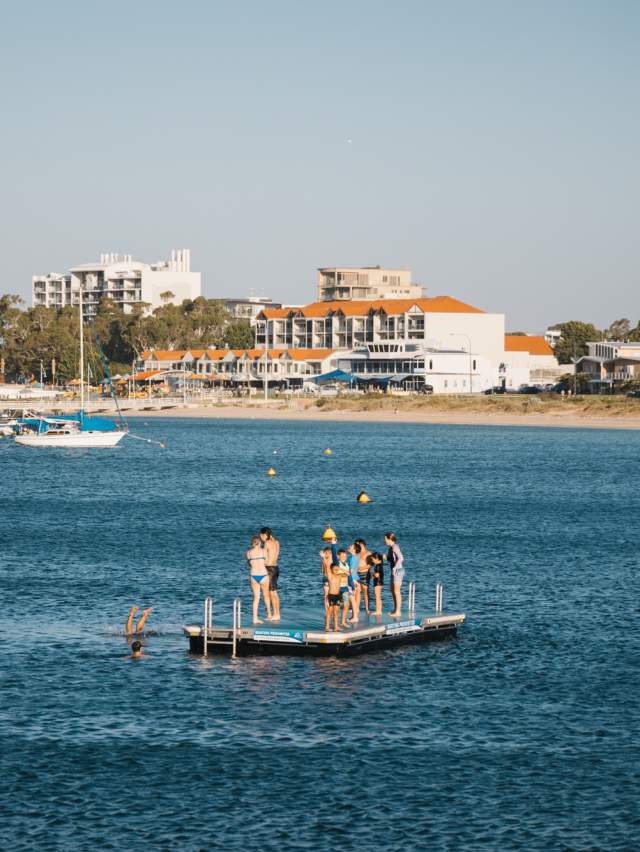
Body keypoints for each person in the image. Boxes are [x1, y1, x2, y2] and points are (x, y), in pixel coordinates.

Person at [246, 535, 273, 624]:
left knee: (256, 598)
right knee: (266, 596)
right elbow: (266, 562)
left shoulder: (248, 553)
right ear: (260, 542)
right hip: (263, 575)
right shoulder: (264, 551)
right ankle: (269, 615)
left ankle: (255, 618)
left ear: (252, 543)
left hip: (253, 575)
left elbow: (249, 564)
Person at [260, 527, 281, 621]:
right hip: (276, 568)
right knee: (275, 592)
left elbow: (264, 558)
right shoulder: (277, 542)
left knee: (271, 593)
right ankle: (277, 614)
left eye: (261, 535)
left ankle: (275, 614)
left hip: (269, 568)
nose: (261, 537)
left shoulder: (266, 543)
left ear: (264, 535)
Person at [384, 532, 404, 617]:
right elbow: (391, 559)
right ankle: (395, 610)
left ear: (390, 539)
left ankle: (398, 611)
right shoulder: (390, 548)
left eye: (385, 539)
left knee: (396, 591)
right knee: (392, 591)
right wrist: (385, 557)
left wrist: (395, 568)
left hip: (398, 571)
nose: (384, 541)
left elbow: (401, 558)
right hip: (394, 571)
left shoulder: (395, 547)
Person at [324, 562, 348, 631]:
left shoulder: (339, 575)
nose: (336, 570)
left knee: (336, 612)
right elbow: (327, 567)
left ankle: (336, 627)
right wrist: (324, 559)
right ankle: (327, 627)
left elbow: (348, 574)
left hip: (338, 595)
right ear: (331, 569)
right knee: (329, 611)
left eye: (337, 569)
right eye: (335, 569)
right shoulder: (330, 576)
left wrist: (340, 569)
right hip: (331, 595)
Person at [355, 538, 371, 615]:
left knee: (365, 591)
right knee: (357, 591)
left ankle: (367, 609)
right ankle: (356, 608)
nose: (356, 546)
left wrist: (361, 568)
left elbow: (370, 564)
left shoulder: (368, 553)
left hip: (365, 573)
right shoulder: (357, 553)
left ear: (361, 544)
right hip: (357, 574)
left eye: (357, 544)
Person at [319, 546, 333, 611]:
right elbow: (324, 569)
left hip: (328, 578)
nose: (326, 554)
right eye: (325, 553)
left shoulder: (325, 560)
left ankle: (328, 610)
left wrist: (323, 558)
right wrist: (323, 558)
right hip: (327, 579)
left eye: (326, 553)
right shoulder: (327, 560)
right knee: (327, 595)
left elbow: (322, 571)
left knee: (328, 595)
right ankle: (327, 610)